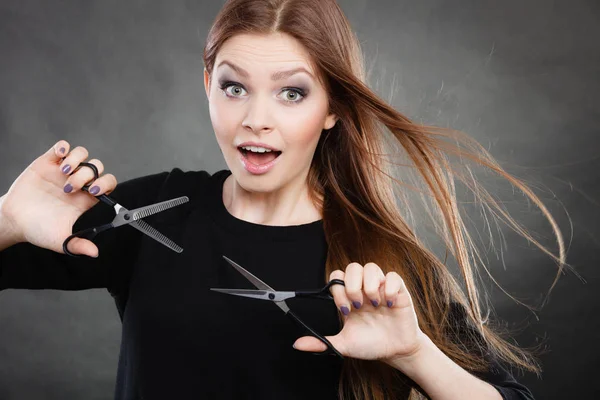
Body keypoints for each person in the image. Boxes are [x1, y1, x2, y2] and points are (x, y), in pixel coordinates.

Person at [0, 0, 564, 399]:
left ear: (333, 109)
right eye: (233, 86)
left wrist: (413, 355)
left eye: (291, 93)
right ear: (207, 84)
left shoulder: (379, 263)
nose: (256, 120)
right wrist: (7, 217)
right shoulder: (158, 207)